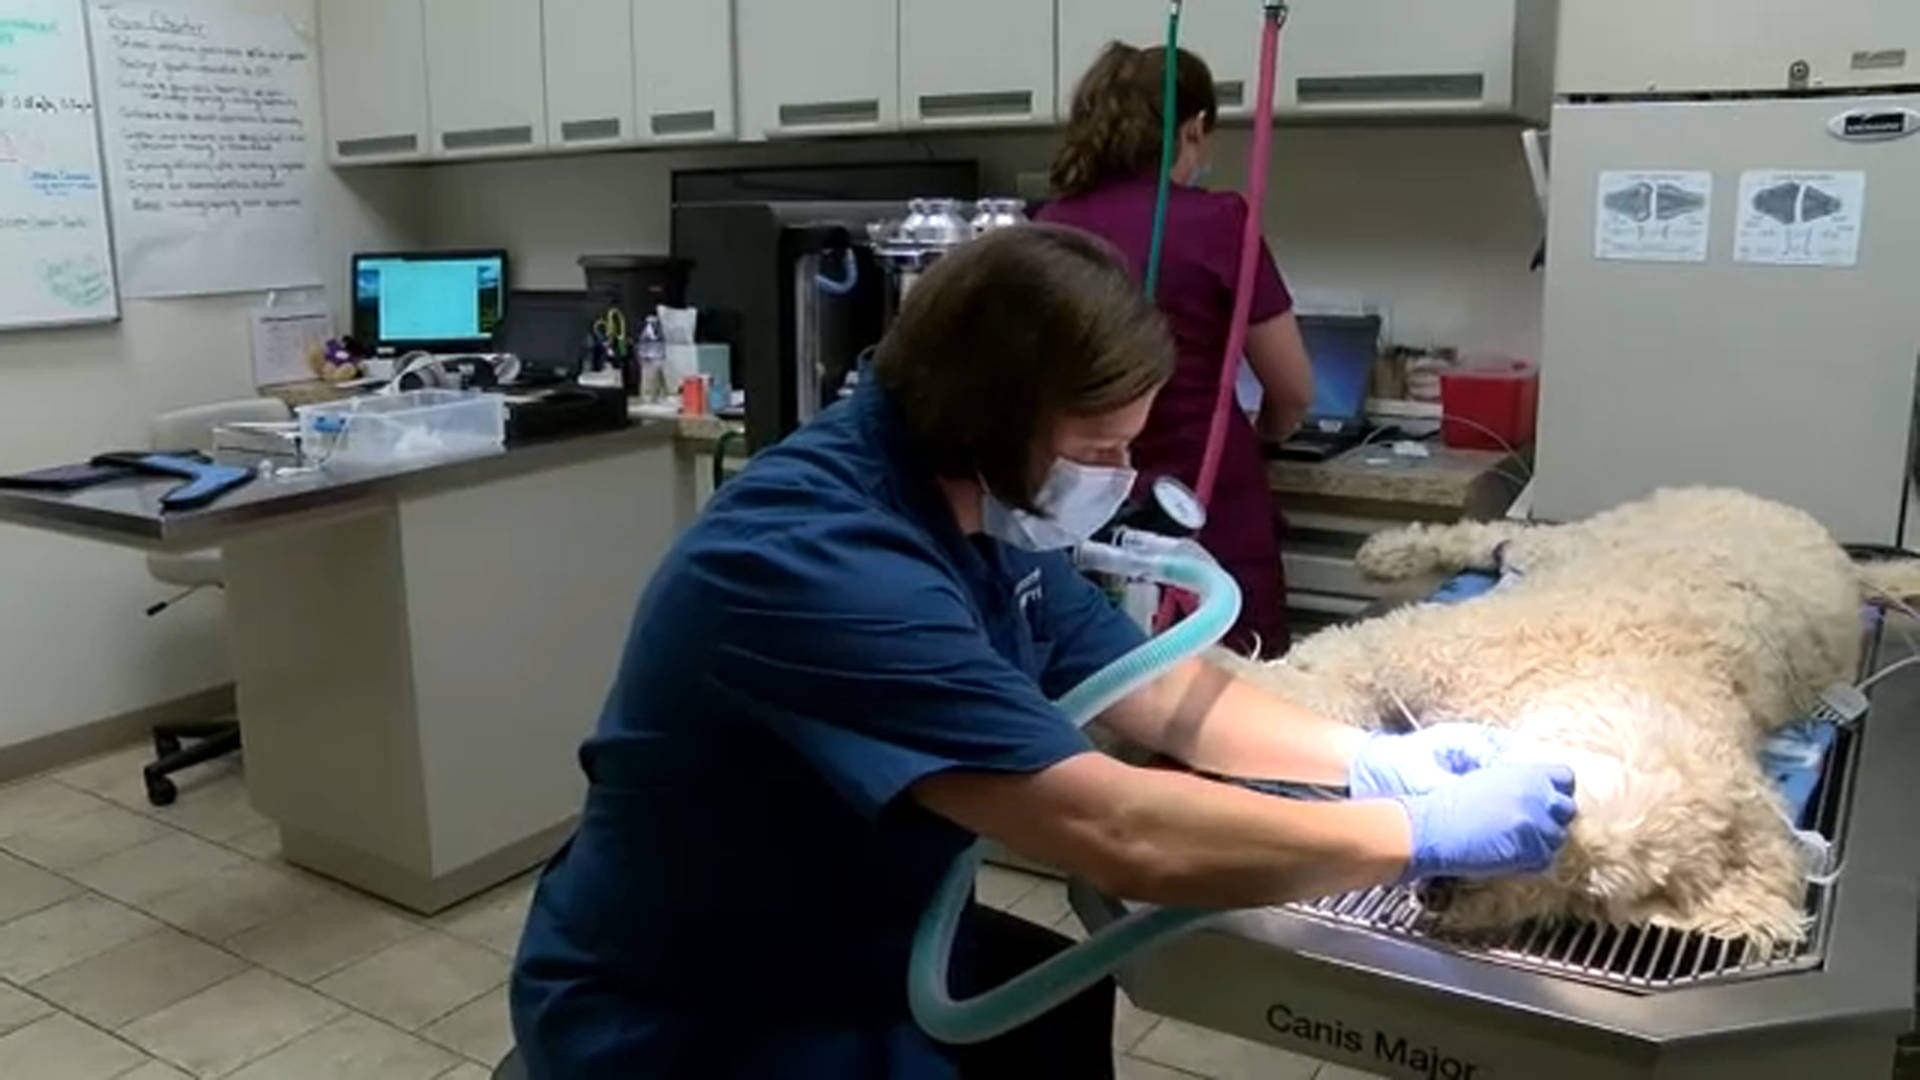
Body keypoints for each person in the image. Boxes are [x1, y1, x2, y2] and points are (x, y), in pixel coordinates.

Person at [509, 225, 1574, 1079]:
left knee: (1058, 1008)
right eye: (1097, 450)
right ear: (988, 413)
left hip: (850, 937)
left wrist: (1362, 759)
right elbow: (1117, 831)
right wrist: (1416, 832)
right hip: (696, 1008)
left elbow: (1157, 687)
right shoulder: (820, 564)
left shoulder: (973, 498)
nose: (1113, 477)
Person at [1039, 42, 1312, 657]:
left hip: (1083, 506)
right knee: (1236, 695)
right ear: (1194, 129)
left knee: (1104, 687)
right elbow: (1293, 389)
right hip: (1207, 504)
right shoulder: (1219, 221)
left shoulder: (1047, 225)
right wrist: (1268, 433)